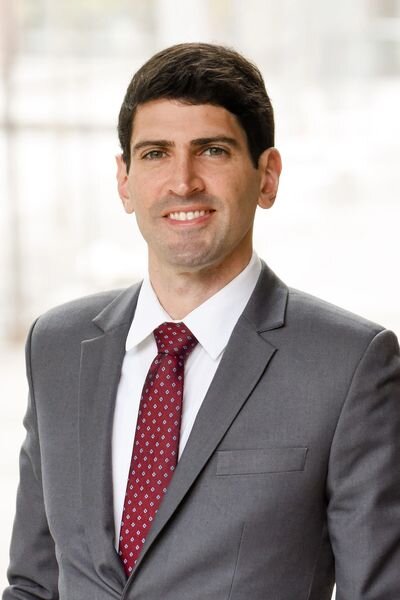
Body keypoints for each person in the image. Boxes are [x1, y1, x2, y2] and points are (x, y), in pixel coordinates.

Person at [3, 42, 400, 600]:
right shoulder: (57, 346)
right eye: (155, 153)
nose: (183, 182)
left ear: (267, 176)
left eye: (212, 151)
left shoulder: (349, 366)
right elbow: (34, 584)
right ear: (124, 180)